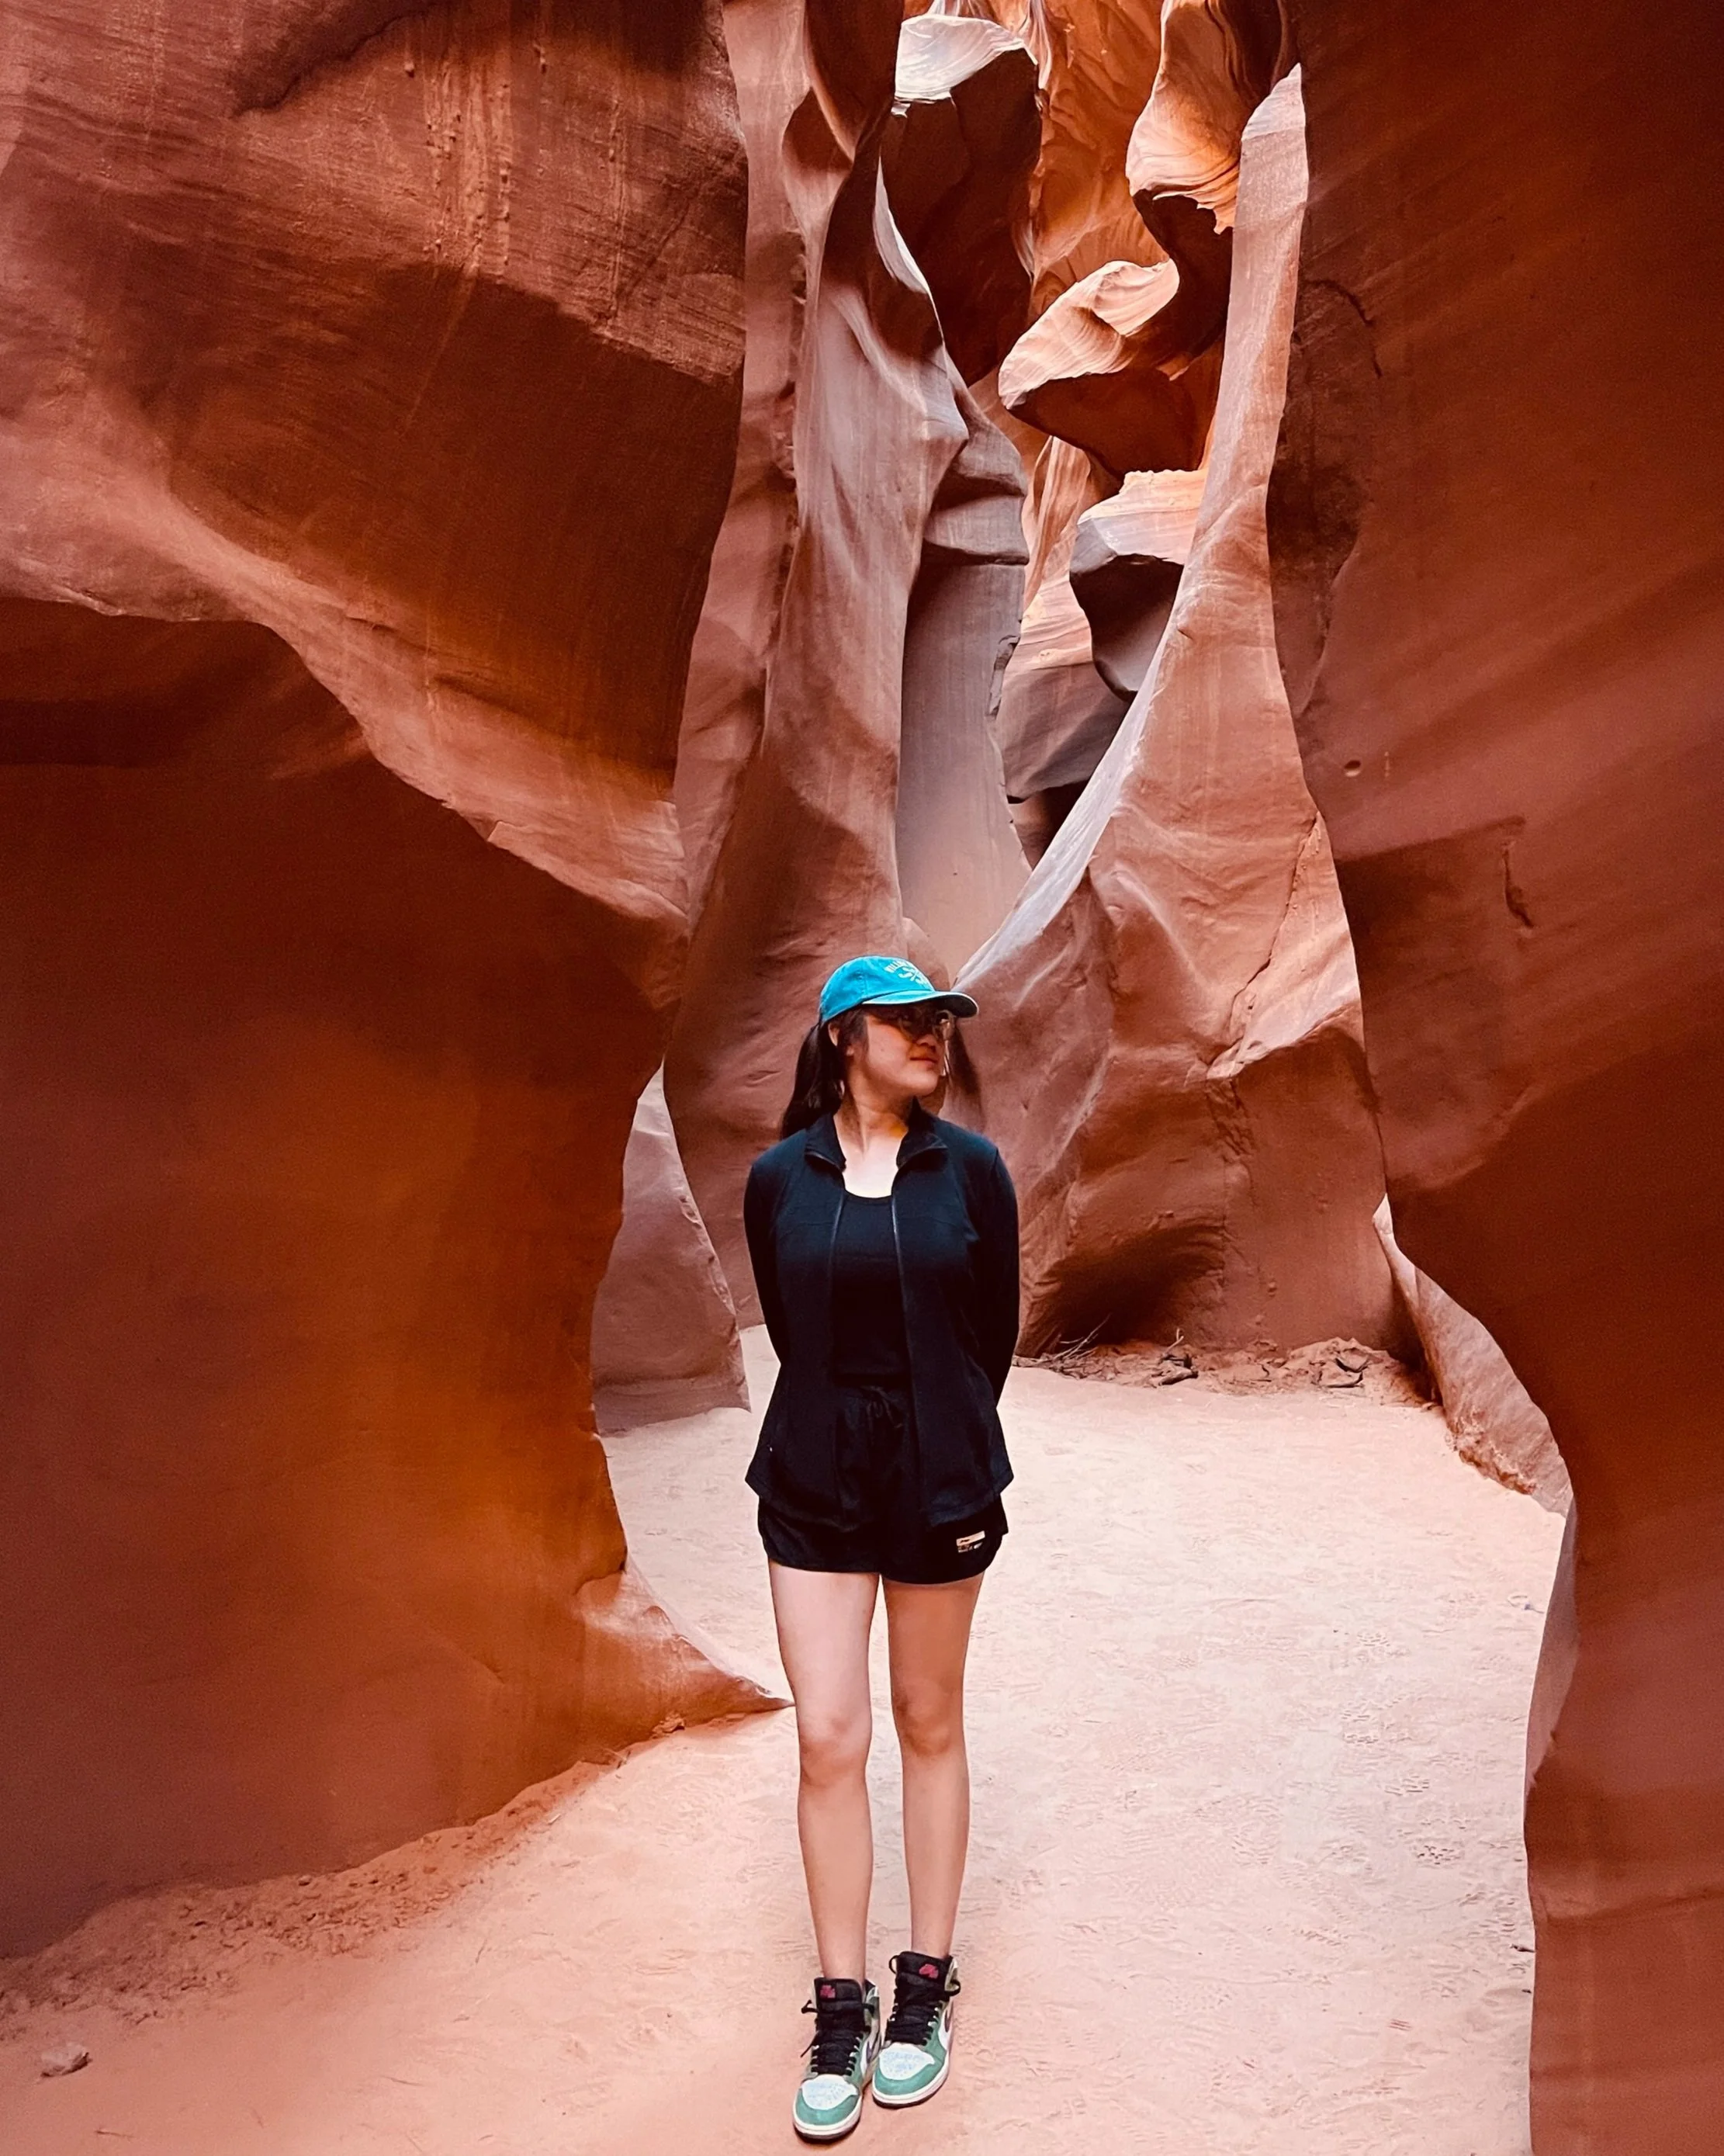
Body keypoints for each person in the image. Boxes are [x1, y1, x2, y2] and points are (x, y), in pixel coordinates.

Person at [743, 954, 1020, 2143]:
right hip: (811, 1471)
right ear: (844, 1036)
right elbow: (787, 1317)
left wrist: (938, 1423)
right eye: (909, 1022)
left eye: (941, 1024)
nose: (933, 1039)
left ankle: (924, 1984)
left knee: (927, 1718)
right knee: (825, 1735)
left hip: (937, 1469)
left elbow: (991, 1327)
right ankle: (841, 2003)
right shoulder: (776, 1179)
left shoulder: (972, 1172)